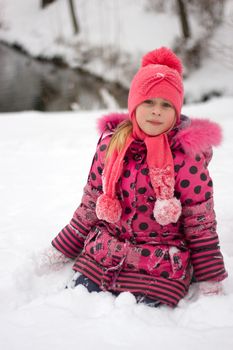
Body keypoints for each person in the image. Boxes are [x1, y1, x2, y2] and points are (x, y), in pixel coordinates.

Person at [36, 47, 227, 307]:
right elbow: (92, 200)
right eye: (148, 102)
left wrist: (210, 279)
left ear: (177, 110)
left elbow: (200, 220)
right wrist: (63, 247)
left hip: (160, 259)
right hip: (105, 251)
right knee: (80, 300)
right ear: (134, 105)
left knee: (143, 313)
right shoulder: (111, 145)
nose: (156, 111)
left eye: (166, 105)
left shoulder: (185, 158)